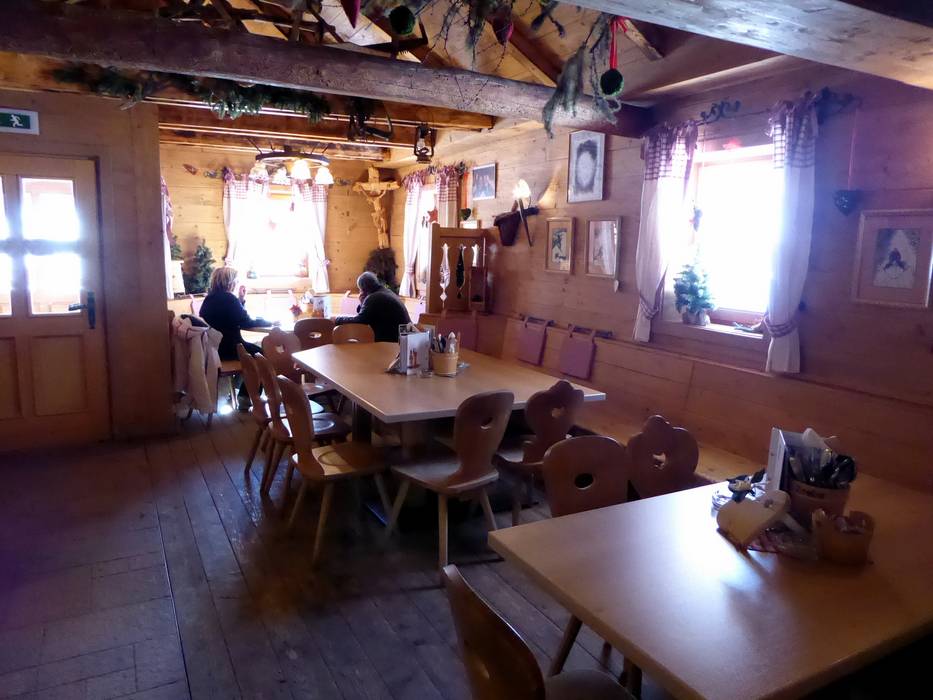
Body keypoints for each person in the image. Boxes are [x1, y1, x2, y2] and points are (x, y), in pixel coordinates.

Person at [200, 266, 271, 408]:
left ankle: (240, 391)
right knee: (264, 356)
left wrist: (241, 300)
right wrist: (269, 322)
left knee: (254, 351)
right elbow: (246, 321)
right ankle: (246, 396)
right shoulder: (228, 299)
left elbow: (234, 316)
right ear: (230, 282)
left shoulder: (209, 299)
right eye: (236, 281)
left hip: (214, 349)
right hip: (230, 347)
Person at [334, 271, 411, 342]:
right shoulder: (385, 292)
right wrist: (362, 302)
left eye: (360, 289)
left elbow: (360, 321)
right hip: (408, 338)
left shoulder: (374, 298)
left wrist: (336, 320)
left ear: (363, 289)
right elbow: (366, 315)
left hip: (398, 343)